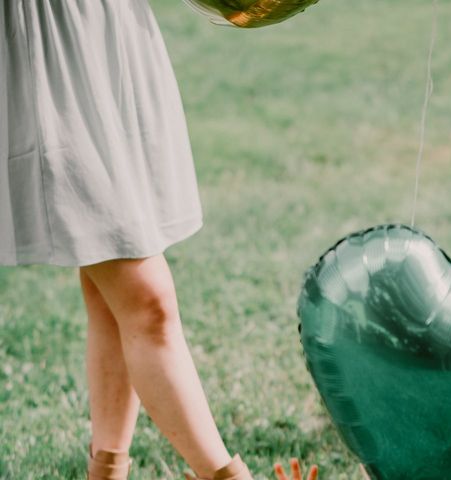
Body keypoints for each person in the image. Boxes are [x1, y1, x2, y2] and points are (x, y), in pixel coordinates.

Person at [0, 2, 319, 479]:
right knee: (147, 299)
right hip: (45, 41)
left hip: (101, 30)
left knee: (108, 288)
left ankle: (106, 472)